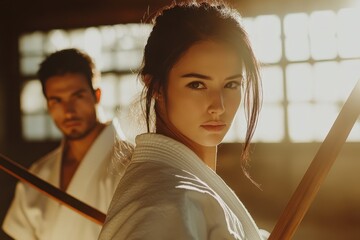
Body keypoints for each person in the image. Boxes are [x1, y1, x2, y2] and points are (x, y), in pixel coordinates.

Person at [98, 1, 269, 240]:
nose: (218, 106)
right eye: (197, 85)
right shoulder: (168, 203)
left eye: (231, 84)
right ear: (156, 86)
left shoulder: (177, 193)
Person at [2, 48, 127, 240]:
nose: (68, 111)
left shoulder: (132, 165)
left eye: (77, 96)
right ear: (48, 105)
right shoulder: (37, 175)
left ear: (97, 95)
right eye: (57, 100)